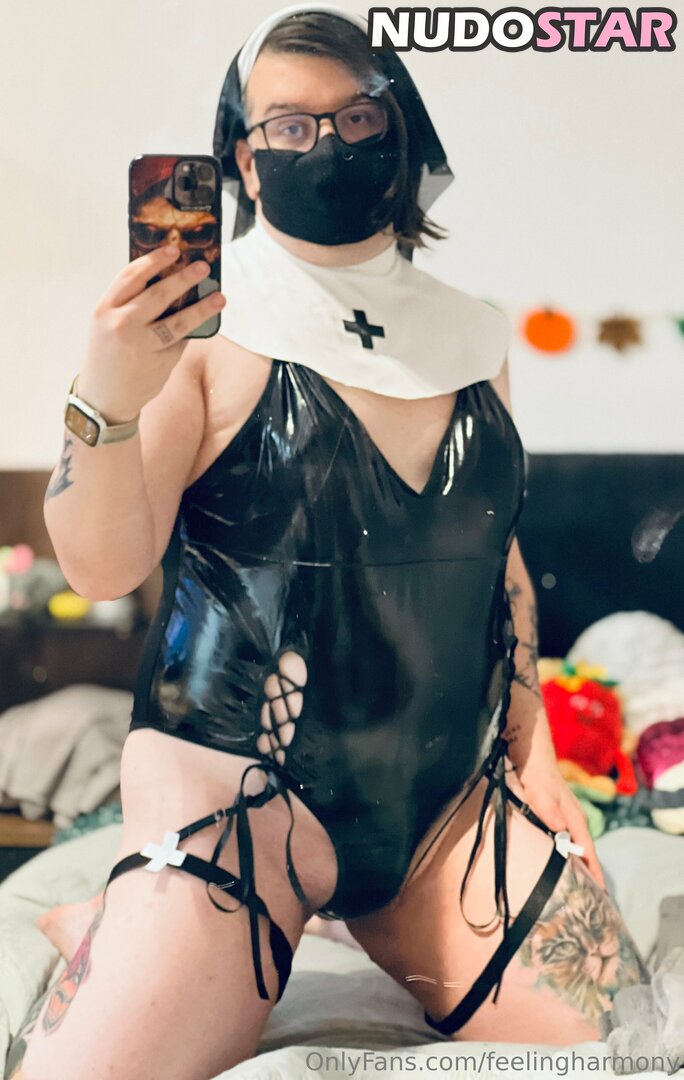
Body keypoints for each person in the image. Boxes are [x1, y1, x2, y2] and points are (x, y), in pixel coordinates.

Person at [13, 6, 649, 1079]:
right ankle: (118, 914)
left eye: (356, 117)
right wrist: (107, 398)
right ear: (243, 161)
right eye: (290, 127)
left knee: (616, 1040)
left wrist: (536, 760)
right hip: (236, 805)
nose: (328, 144)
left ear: (400, 130)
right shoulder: (197, 333)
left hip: (444, 812)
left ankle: (329, 925)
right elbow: (102, 566)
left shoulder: (474, 336)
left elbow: (496, 559)